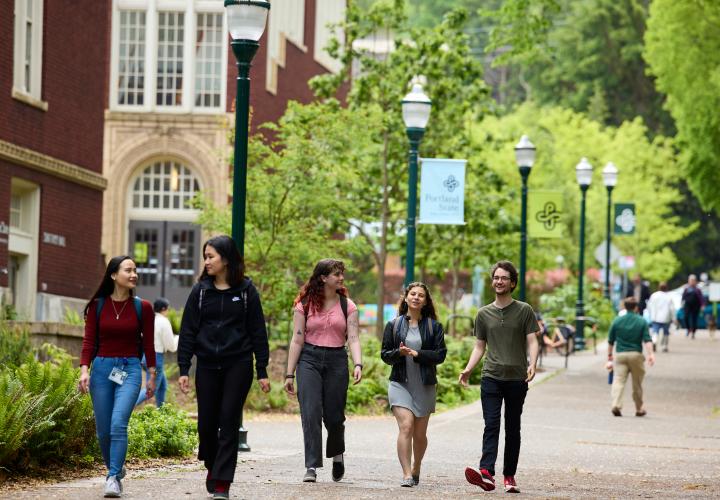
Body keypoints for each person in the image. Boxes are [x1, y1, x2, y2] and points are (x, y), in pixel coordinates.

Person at [177, 235, 270, 500]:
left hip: (237, 364)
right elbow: (188, 331)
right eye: (205, 257)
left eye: (211, 256)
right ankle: (212, 465)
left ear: (226, 259)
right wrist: (184, 368)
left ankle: (222, 482)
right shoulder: (201, 292)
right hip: (206, 364)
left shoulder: (246, 291)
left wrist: (261, 369)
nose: (206, 262)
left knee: (229, 422)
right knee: (206, 425)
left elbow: (257, 332)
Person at [77, 256, 155, 498]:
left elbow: (149, 345)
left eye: (135, 270)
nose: (134, 275)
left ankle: (112, 478)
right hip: (101, 369)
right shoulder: (97, 306)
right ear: (113, 275)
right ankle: (116, 467)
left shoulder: (143, 307)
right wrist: (84, 370)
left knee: (118, 423)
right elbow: (89, 341)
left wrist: (152, 375)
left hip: (130, 369)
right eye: (128, 270)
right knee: (103, 430)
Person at [459, 261, 540, 494]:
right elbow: (479, 346)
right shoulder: (483, 313)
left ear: (512, 283)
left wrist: (532, 364)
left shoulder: (524, 310)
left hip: (517, 378)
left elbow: (532, 340)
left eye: (504, 278)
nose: (499, 281)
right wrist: (468, 369)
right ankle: (486, 472)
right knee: (491, 424)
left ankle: (509, 476)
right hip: (491, 377)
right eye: (496, 277)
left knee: (513, 427)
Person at [284, 259, 363, 483]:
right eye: (336, 274)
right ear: (323, 277)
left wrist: (358, 364)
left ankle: (337, 454)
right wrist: (289, 374)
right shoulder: (305, 304)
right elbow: (297, 339)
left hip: (337, 360)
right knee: (310, 412)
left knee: (334, 416)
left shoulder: (348, 306)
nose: (341, 278)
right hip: (308, 359)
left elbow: (354, 338)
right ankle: (311, 466)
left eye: (341, 274)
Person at [381, 282, 447, 487]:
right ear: (406, 297)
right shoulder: (393, 325)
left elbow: (440, 355)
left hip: (424, 385)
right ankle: (407, 474)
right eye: (413, 294)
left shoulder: (433, 327)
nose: (416, 297)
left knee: (420, 434)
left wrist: (418, 354)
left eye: (421, 295)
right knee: (406, 427)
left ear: (426, 301)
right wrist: (397, 353)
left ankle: (417, 466)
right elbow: (385, 355)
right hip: (400, 383)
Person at [608, 297, 655, 417]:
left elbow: (610, 341)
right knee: (637, 384)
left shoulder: (617, 321)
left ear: (625, 307)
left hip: (620, 355)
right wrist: (651, 354)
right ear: (636, 307)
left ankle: (616, 405)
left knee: (618, 380)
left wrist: (609, 357)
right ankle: (639, 409)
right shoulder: (641, 321)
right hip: (636, 355)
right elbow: (647, 340)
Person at [135, 297, 178, 407]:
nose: (168, 311)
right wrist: (178, 338)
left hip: (146, 357)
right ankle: (126, 406)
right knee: (151, 390)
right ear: (164, 309)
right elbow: (171, 346)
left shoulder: (150, 319)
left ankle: (161, 412)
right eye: (168, 309)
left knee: (163, 386)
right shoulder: (164, 321)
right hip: (156, 359)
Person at [646, 282, 675, 352]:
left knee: (655, 331)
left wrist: (651, 314)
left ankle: (654, 341)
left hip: (655, 317)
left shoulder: (654, 295)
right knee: (666, 332)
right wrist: (673, 317)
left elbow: (649, 306)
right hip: (666, 318)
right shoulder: (668, 297)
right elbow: (672, 308)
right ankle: (664, 346)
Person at [681, 274, 703, 339]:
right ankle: (688, 329)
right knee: (686, 317)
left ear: (695, 281)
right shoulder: (686, 288)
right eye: (690, 280)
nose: (692, 282)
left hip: (696, 306)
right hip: (687, 305)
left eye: (693, 280)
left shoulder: (697, 289)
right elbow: (683, 297)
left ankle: (693, 332)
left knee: (694, 319)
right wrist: (682, 303)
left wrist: (702, 305)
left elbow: (701, 298)